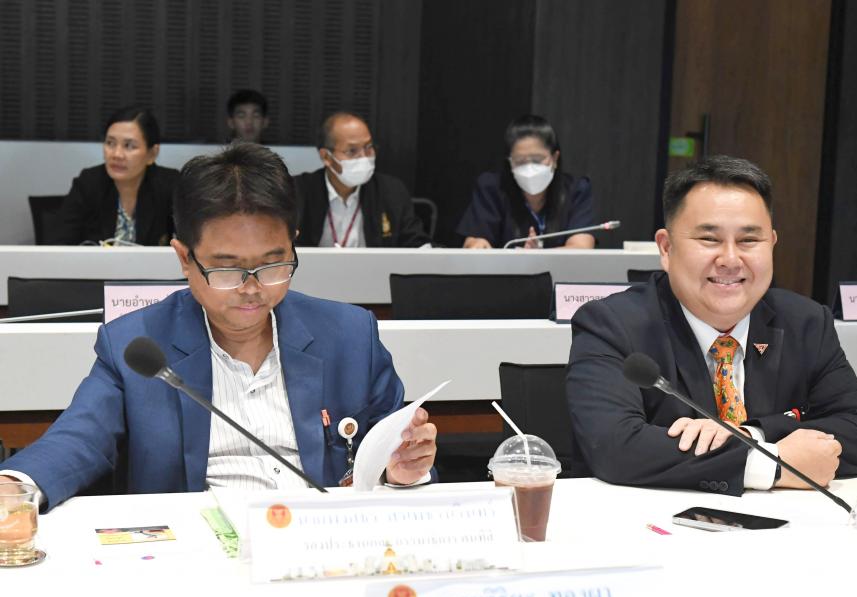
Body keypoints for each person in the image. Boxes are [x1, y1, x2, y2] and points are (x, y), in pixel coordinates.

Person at [0, 144, 437, 511]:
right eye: (228, 269)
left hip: (320, 546)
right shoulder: (137, 343)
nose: (252, 288)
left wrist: (404, 470)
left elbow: (399, 450)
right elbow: (80, 438)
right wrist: (15, 486)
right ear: (184, 257)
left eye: (272, 264)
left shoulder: (349, 335)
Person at [566, 155, 857, 496]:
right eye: (709, 239)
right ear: (666, 247)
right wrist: (773, 463)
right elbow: (615, 447)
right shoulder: (611, 325)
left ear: (772, 244)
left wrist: (754, 435)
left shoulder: (806, 323)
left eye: (749, 241)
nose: (731, 260)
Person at [293, 111, 430, 248]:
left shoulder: (391, 191)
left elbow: (415, 242)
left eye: (368, 147)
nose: (364, 157)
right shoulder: (295, 192)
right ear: (326, 157)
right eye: (352, 151)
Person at [457, 115, 595, 249]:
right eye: (520, 161)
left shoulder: (576, 190)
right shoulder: (491, 188)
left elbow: (581, 247)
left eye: (537, 160)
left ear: (554, 158)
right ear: (510, 162)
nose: (530, 168)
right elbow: (475, 242)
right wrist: (477, 246)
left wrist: (535, 258)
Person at [48, 106, 179, 246]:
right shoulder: (89, 183)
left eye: (129, 146)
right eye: (110, 143)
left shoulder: (169, 185)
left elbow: (189, 246)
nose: (117, 154)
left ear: (152, 154)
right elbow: (57, 244)